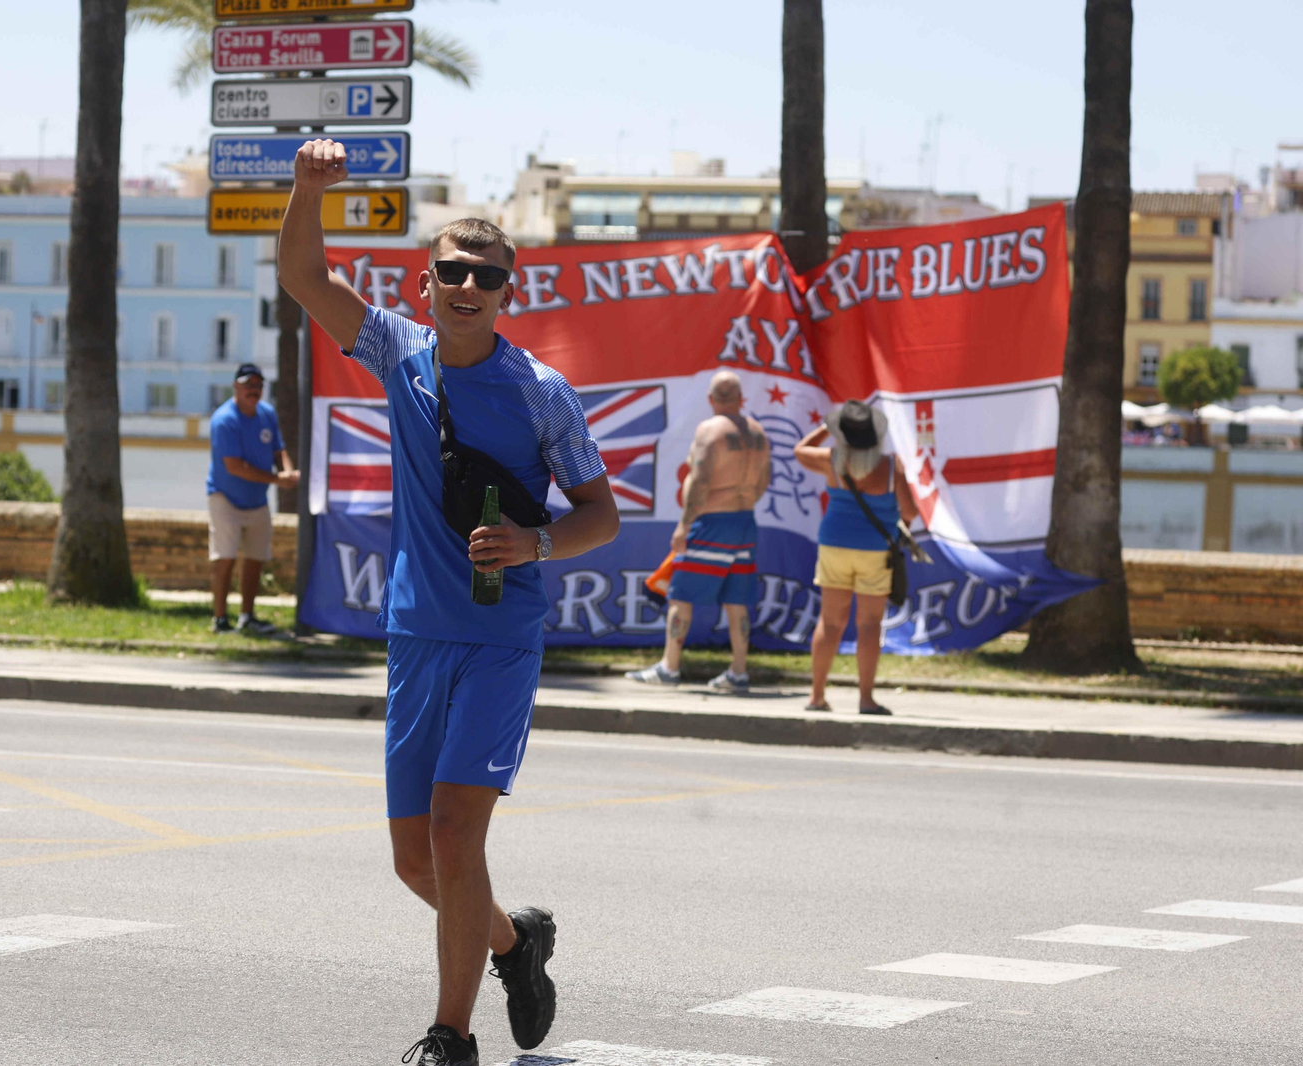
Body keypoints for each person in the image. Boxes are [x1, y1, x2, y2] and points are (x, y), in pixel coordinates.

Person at [279, 138, 620, 1066]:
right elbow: (302, 273)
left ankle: (449, 1033)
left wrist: (535, 541)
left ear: (510, 292)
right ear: (424, 284)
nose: (469, 286)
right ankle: (517, 943)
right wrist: (308, 189)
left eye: (488, 276)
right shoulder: (400, 352)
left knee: (455, 834)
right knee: (414, 863)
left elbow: (602, 516)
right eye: (453, 272)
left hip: (500, 640)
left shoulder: (544, 394)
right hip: (414, 635)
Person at [626, 371, 769, 694]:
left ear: (711, 399)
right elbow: (763, 480)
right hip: (745, 521)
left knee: (680, 595)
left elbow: (701, 479)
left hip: (712, 522)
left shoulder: (710, 430)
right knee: (737, 600)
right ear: (741, 399)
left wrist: (685, 524)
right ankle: (738, 672)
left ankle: (670, 667)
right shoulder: (759, 433)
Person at [793, 399, 919, 715]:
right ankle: (865, 699)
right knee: (869, 624)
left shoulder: (832, 459)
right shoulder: (891, 467)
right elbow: (910, 511)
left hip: (834, 544)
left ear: (842, 435)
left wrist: (826, 427)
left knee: (830, 622)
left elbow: (799, 450)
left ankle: (816, 696)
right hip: (874, 549)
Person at [206, 363, 298, 637]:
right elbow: (235, 466)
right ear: (236, 387)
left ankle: (247, 616)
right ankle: (220, 619)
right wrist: (277, 480)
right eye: (248, 385)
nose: (254, 390)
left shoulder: (267, 413)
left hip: (256, 499)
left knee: (256, 559)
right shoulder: (224, 419)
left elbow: (278, 449)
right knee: (225, 558)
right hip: (225, 497)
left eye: (258, 385)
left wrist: (288, 471)